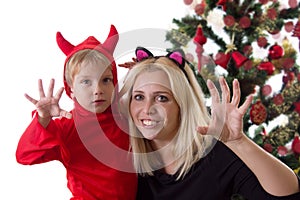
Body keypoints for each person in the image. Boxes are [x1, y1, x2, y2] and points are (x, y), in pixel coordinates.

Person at [118, 46, 300, 200]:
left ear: (182, 105)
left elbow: (287, 194)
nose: (147, 108)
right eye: (139, 97)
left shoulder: (214, 156)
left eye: (162, 98)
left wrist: (238, 142)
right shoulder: (125, 156)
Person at [16, 25, 137, 200]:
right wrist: (43, 120)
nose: (98, 90)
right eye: (86, 82)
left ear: (114, 83)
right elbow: (25, 155)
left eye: (106, 80)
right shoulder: (67, 127)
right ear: (70, 89)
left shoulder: (127, 115)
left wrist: (144, 74)